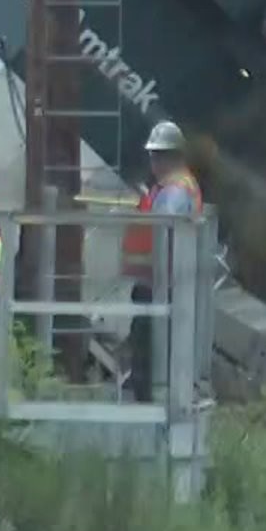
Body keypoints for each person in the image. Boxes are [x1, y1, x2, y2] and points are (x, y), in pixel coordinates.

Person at [119, 119, 203, 402]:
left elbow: (162, 230)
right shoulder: (169, 187)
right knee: (146, 339)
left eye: (157, 156)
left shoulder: (174, 191)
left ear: (171, 157)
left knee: (149, 342)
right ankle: (148, 390)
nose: (152, 162)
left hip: (161, 282)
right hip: (156, 280)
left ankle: (150, 399)